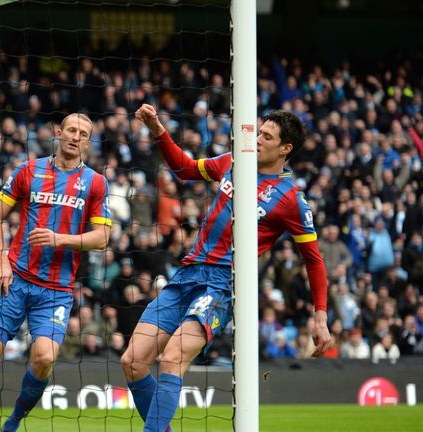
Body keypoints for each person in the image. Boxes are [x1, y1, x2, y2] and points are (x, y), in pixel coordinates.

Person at [120, 104, 332, 431]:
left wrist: (320, 316)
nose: (257, 139)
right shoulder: (233, 162)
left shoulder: (291, 199)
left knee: (173, 357)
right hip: (187, 274)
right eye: (259, 132)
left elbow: (314, 260)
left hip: (222, 284)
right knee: (133, 362)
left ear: (285, 148)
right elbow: (185, 169)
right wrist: (158, 129)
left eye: (267, 136)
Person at [0, 113, 111, 432]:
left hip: (56, 290)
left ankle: (12, 423)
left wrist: (61, 239)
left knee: (43, 358)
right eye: (71, 129)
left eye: (83, 133)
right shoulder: (29, 170)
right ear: (58, 132)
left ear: (88, 141)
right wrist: (1, 261)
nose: (75, 136)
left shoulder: (96, 183)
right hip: (14, 279)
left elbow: (101, 238)